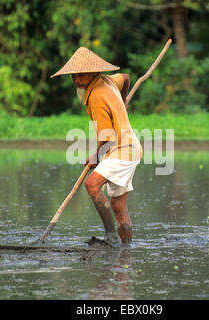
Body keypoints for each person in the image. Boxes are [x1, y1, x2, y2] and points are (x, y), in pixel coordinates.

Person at [51, 47, 143, 245]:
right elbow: (126, 77)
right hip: (128, 148)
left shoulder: (96, 97)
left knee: (91, 185)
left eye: (81, 74)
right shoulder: (108, 80)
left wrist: (95, 156)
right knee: (118, 206)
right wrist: (123, 98)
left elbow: (108, 137)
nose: (76, 80)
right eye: (73, 76)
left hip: (122, 150)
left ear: (93, 72)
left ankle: (110, 236)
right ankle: (125, 247)